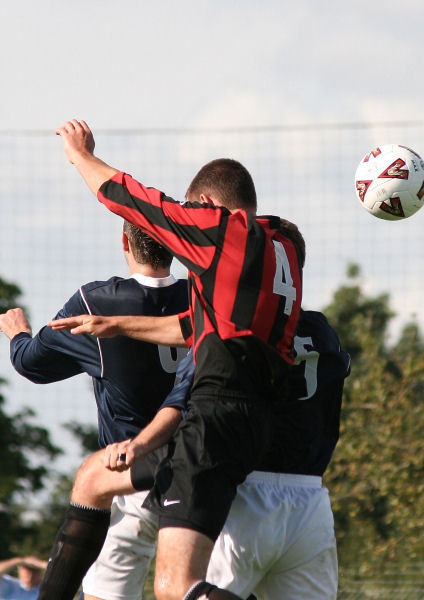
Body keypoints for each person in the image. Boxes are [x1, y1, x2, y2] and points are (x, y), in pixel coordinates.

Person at [55, 118, 305, 600]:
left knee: (175, 588)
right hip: (253, 423)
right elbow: (201, 329)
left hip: (214, 417)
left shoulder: (223, 233)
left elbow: (134, 201)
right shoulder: (283, 248)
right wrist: (118, 325)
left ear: (208, 207)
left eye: (195, 211)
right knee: (93, 479)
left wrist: (80, 157)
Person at [46, 308, 350, 600]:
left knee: (179, 586)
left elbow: (182, 403)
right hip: (309, 502)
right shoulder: (323, 331)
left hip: (241, 494)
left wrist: (140, 445)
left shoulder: (229, 329)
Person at [0, 222, 188, 600]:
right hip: (197, 475)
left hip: (124, 477)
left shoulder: (96, 303)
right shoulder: (204, 299)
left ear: (124, 241)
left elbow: (32, 364)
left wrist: (17, 334)